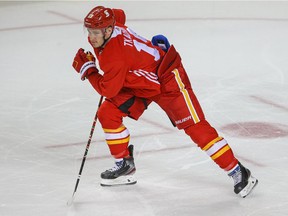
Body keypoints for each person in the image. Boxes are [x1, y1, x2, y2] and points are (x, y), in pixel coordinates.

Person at [72, 6, 258, 197]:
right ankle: (124, 166)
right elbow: (119, 14)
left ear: (108, 30)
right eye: (89, 31)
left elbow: (107, 89)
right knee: (108, 113)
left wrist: (89, 70)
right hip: (140, 82)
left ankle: (238, 171)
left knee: (196, 128)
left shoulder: (115, 57)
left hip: (167, 78)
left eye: (95, 32)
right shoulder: (113, 24)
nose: (92, 37)